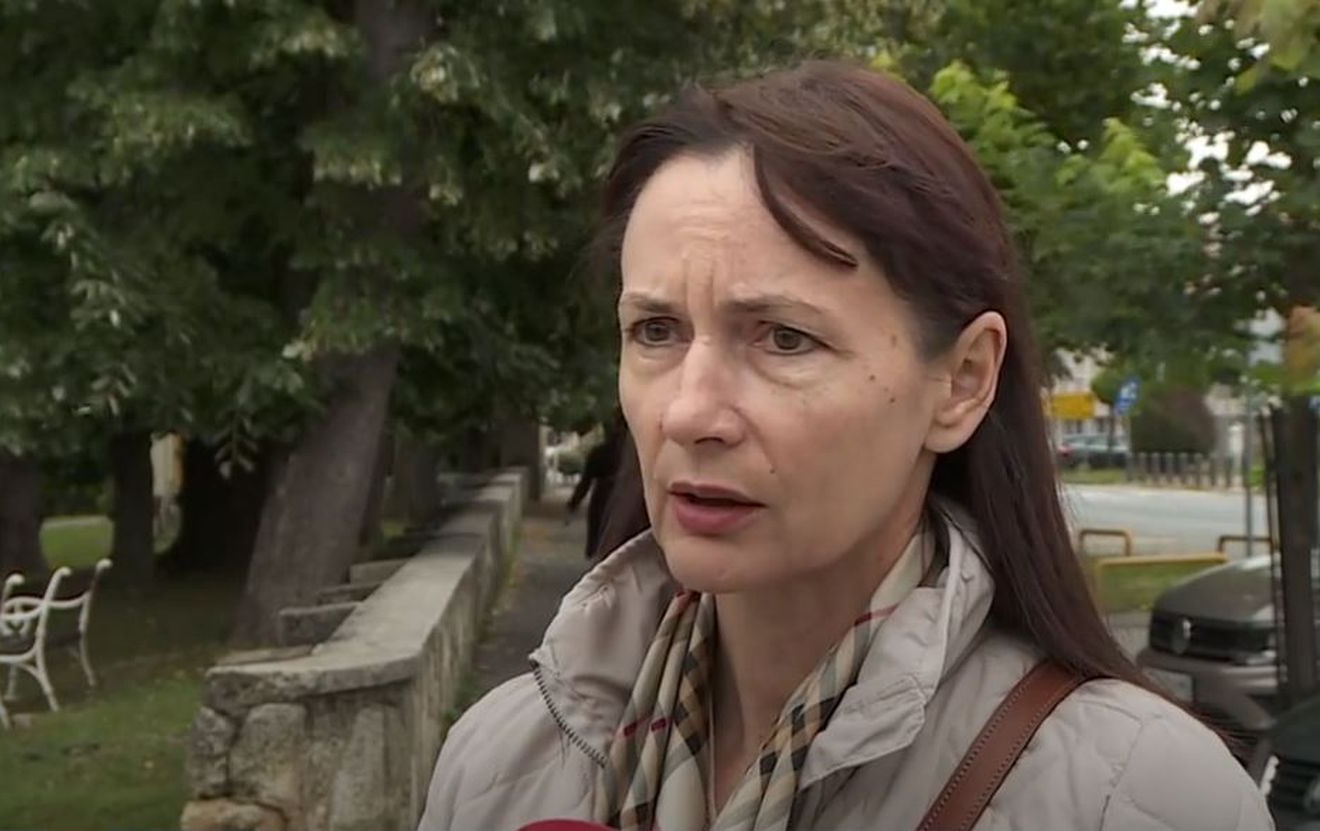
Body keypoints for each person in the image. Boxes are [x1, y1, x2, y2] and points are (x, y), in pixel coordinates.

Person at [419, 60, 1270, 831]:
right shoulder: (501, 761)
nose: (689, 412)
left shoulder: (1140, 795)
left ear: (963, 380)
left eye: (784, 338)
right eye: (656, 330)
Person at [565, 413, 626, 560]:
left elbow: (585, 483)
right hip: (624, 498)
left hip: (603, 499)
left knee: (599, 541)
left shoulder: (599, 452)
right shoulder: (635, 455)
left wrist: (573, 504)